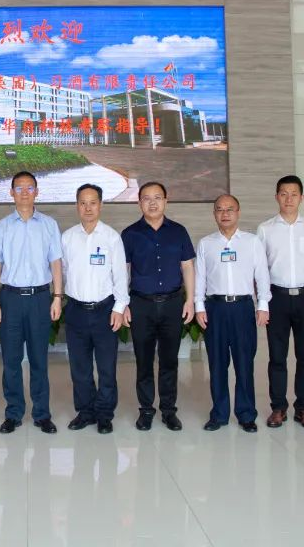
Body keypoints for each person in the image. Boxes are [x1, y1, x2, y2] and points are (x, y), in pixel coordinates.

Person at [0, 171, 63, 435]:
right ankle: (14, 413)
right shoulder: (2, 226)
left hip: (41, 298)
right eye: (19, 188)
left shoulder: (49, 225)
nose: (24, 192)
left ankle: (42, 414)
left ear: (37, 192)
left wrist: (57, 297)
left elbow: (56, 263)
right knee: (11, 360)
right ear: (11, 193)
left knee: (39, 359)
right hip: (10, 299)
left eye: (29, 188)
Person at [256, 175, 304, 430]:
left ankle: (303, 408)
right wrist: (261, 303)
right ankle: (278, 407)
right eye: (284, 194)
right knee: (277, 356)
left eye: (294, 194)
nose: (289, 199)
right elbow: (259, 270)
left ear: (302, 197)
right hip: (276, 298)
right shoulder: (265, 229)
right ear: (277, 197)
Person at [120, 182, 195, 431]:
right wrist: (124, 304)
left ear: (166, 200)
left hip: (173, 303)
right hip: (141, 304)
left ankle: (169, 411)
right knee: (143, 361)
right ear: (139, 202)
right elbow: (123, 271)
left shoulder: (179, 232)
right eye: (146, 198)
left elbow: (187, 267)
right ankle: (146, 410)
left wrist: (190, 300)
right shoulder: (130, 234)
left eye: (157, 197)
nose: (152, 203)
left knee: (169, 361)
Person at [195, 194, 271, 433]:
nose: (225, 213)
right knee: (217, 364)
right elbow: (200, 278)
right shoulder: (206, 243)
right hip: (215, 309)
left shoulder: (252, 242)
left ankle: (246, 414)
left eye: (230, 209)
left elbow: (262, 275)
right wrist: (199, 307)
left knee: (244, 363)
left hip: (242, 308)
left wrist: (263, 305)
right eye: (219, 209)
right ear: (214, 214)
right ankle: (219, 414)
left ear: (238, 212)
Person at [61, 183, 129, 435]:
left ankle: (104, 414)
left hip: (105, 311)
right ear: (76, 206)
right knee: (79, 367)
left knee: (106, 367)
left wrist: (119, 308)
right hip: (76, 310)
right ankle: (85, 411)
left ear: (100, 205)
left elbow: (120, 276)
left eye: (92, 203)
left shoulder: (111, 237)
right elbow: (63, 272)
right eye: (83, 203)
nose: (88, 208)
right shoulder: (67, 238)